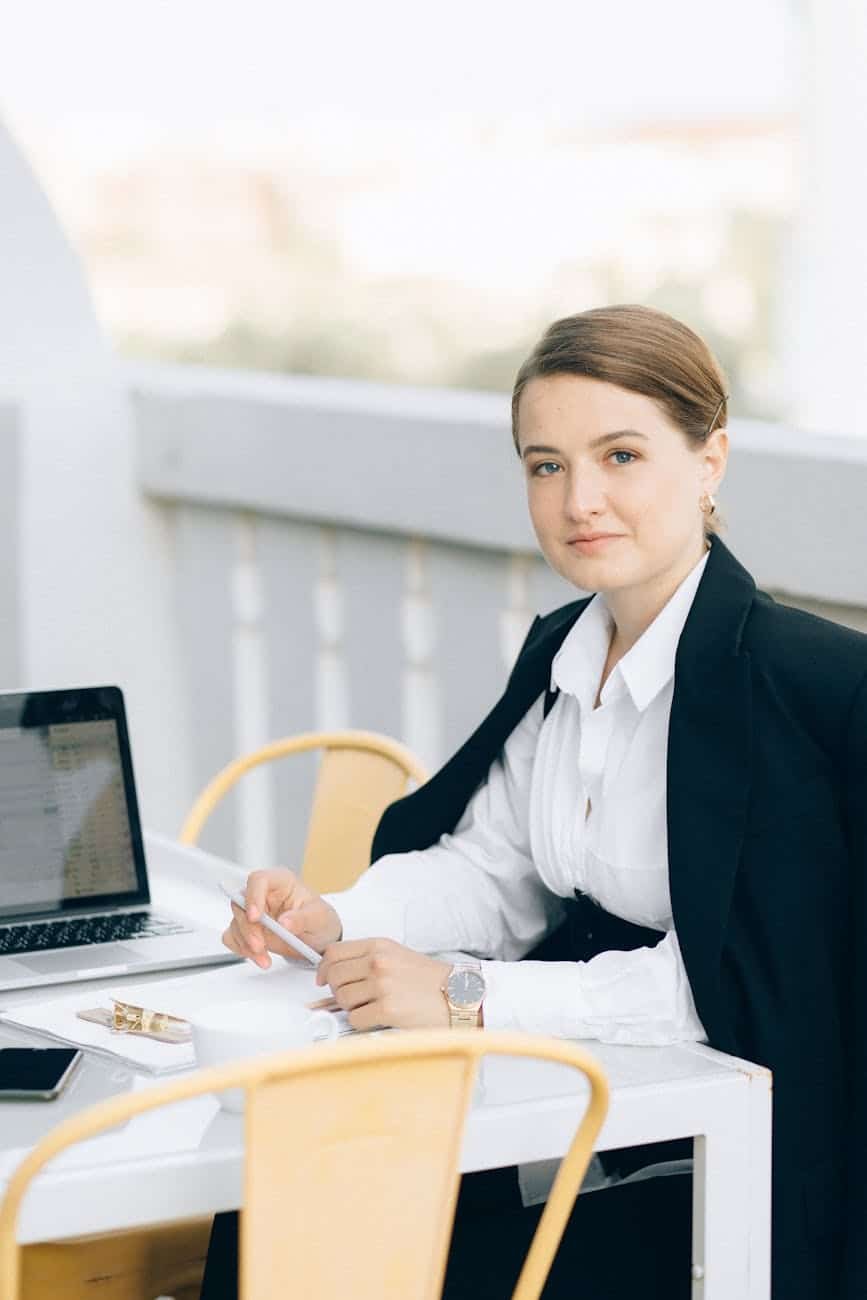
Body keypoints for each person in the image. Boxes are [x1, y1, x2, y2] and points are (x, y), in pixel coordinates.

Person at [200, 304, 867, 1300]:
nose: (579, 499)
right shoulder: (562, 649)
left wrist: (466, 998)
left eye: (622, 455)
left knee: (413, 1261)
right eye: (546, 464)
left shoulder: (794, 684)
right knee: (281, 1201)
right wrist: (336, 914)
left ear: (711, 460)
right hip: (587, 1095)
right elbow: (494, 868)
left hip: (743, 1152)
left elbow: (726, 987)